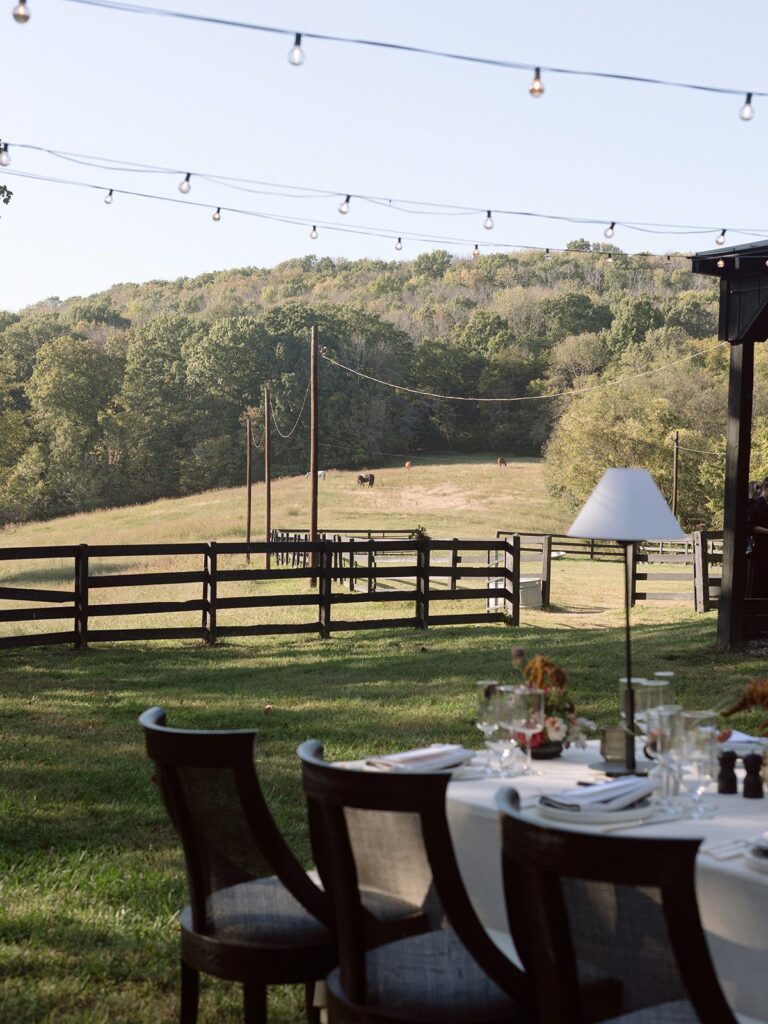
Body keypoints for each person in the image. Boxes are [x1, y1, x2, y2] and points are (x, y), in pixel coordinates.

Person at [747, 477, 768, 598]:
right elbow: (750, 527)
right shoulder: (755, 504)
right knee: (758, 579)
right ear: (765, 488)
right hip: (760, 547)